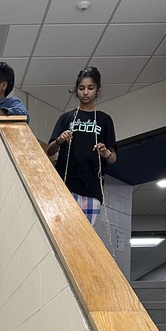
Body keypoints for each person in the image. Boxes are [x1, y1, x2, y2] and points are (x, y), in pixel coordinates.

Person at [47, 66, 117, 227]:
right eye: (81, 88)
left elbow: (113, 158)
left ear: (97, 90)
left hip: (93, 188)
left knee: (86, 235)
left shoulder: (105, 120)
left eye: (90, 88)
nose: (86, 92)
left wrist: (105, 152)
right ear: (76, 91)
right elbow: (50, 151)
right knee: (65, 231)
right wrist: (59, 140)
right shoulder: (66, 117)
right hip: (67, 184)